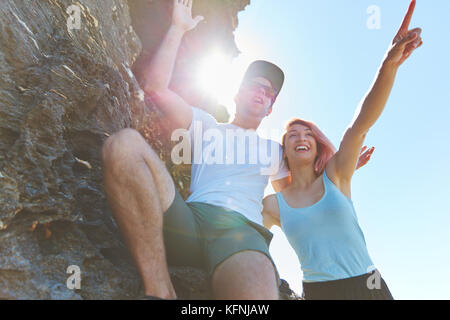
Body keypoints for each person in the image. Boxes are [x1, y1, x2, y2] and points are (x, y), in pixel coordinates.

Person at [101, 0, 371, 299]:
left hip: (241, 235)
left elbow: (299, 193)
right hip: (188, 221)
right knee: (123, 144)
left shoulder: (275, 150)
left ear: (270, 108)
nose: (263, 93)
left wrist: (335, 169)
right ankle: (160, 288)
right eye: (256, 85)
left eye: (270, 93)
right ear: (237, 92)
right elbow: (154, 88)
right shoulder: (205, 125)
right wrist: (177, 29)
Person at [261, 0, 422, 300]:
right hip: (321, 292)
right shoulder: (275, 205)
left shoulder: (336, 176)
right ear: (284, 151)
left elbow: (359, 125)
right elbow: (249, 236)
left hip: (369, 285)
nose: (302, 137)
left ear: (316, 142)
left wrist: (388, 64)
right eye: (292, 135)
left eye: (308, 132)